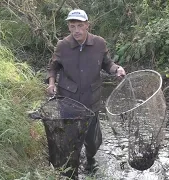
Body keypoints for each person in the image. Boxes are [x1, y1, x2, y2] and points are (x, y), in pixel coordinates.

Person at [45, 9, 126, 175]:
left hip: (92, 100)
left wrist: (117, 69)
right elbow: (53, 67)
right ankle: (71, 168)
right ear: (68, 27)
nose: (76, 30)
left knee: (93, 140)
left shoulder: (99, 43)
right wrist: (51, 83)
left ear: (87, 25)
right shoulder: (63, 46)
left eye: (80, 25)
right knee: (70, 138)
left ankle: (90, 160)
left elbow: (107, 64)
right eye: (72, 26)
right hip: (68, 100)